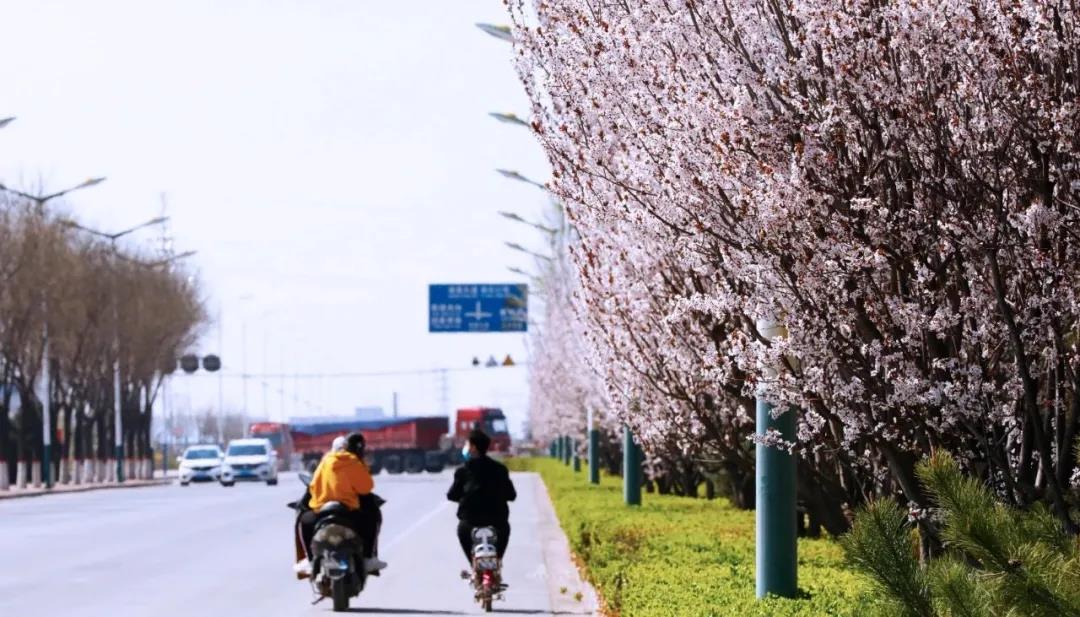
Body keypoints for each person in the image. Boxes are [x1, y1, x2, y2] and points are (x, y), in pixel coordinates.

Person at [306, 432, 386, 573]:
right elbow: (366, 488)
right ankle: (368, 558)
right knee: (372, 519)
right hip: (347, 510)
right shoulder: (353, 461)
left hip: (323, 510)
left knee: (304, 521)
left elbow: (313, 485)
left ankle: (309, 560)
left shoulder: (325, 461)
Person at [447, 429, 517, 565]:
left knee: (461, 532)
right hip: (498, 522)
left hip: (470, 523)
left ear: (473, 447)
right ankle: (496, 564)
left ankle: (474, 567)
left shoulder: (462, 471)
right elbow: (511, 495)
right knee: (504, 533)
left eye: (467, 444)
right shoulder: (500, 469)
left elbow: (452, 495)